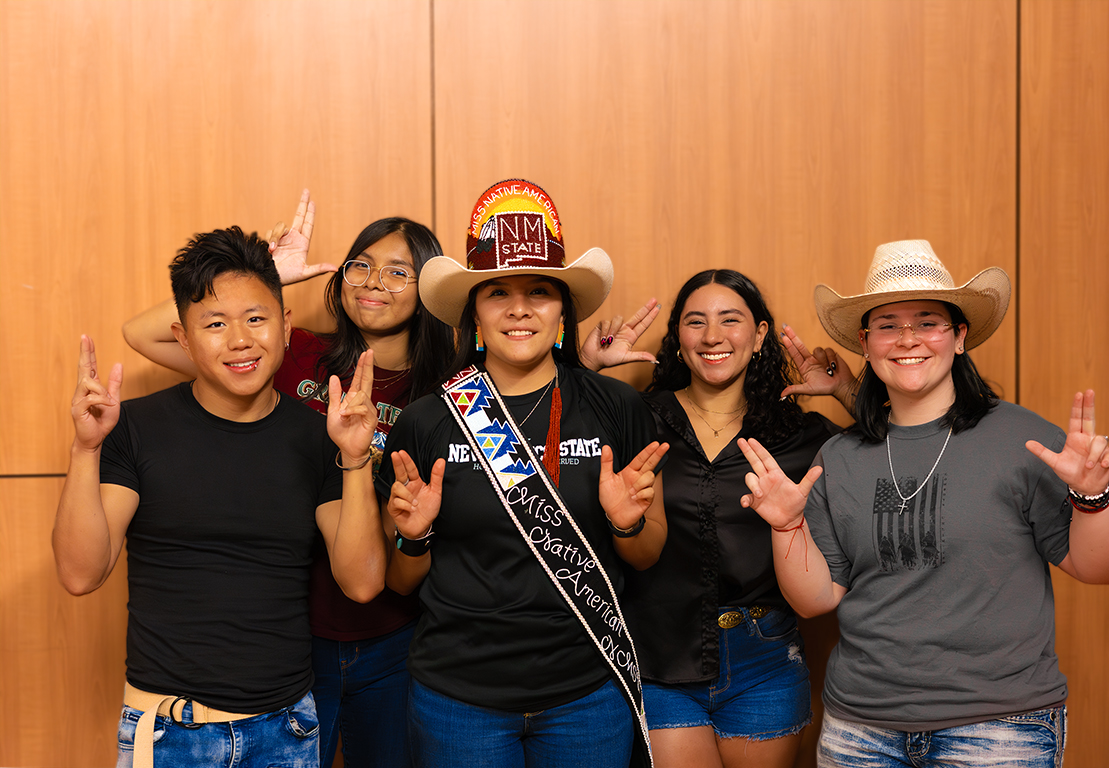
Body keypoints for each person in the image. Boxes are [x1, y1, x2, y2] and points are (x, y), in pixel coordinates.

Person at [739, 240, 1109, 768]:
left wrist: (1093, 495)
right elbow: (816, 599)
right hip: (861, 731)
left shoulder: (1022, 438)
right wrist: (787, 526)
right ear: (866, 342)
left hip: (999, 729)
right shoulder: (840, 456)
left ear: (960, 337)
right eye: (888, 325)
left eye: (928, 322)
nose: (907, 340)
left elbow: (1101, 567)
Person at [121, 190, 455, 768]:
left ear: (427, 288)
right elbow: (146, 333)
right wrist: (263, 276)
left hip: (397, 630)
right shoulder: (291, 352)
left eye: (399, 271)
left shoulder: (448, 389)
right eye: (361, 265)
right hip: (300, 635)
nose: (374, 280)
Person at [54, 226, 388, 768]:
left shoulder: (318, 437)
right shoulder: (134, 428)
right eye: (214, 324)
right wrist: (85, 449)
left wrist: (354, 457)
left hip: (288, 729)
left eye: (257, 319)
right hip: (165, 732)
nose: (239, 340)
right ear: (182, 339)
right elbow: (79, 573)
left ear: (285, 329)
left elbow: (363, 581)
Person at [381, 179, 669, 768]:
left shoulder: (617, 408)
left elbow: (647, 557)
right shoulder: (426, 421)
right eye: (498, 293)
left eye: (539, 290)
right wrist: (414, 538)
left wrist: (627, 526)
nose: (519, 308)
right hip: (458, 699)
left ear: (562, 309)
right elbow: (401, 583)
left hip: (586, 692)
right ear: (474, 312)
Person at [619, 269, 854, 768]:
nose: (712, 337)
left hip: (765, 658)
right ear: (677, 339)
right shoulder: (637, 417)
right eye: (695, 322)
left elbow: (901, 450)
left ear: (760, 334)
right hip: (660, 655)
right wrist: (587, 366)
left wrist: (846, 392)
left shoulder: (802, 431)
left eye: (731, 320)